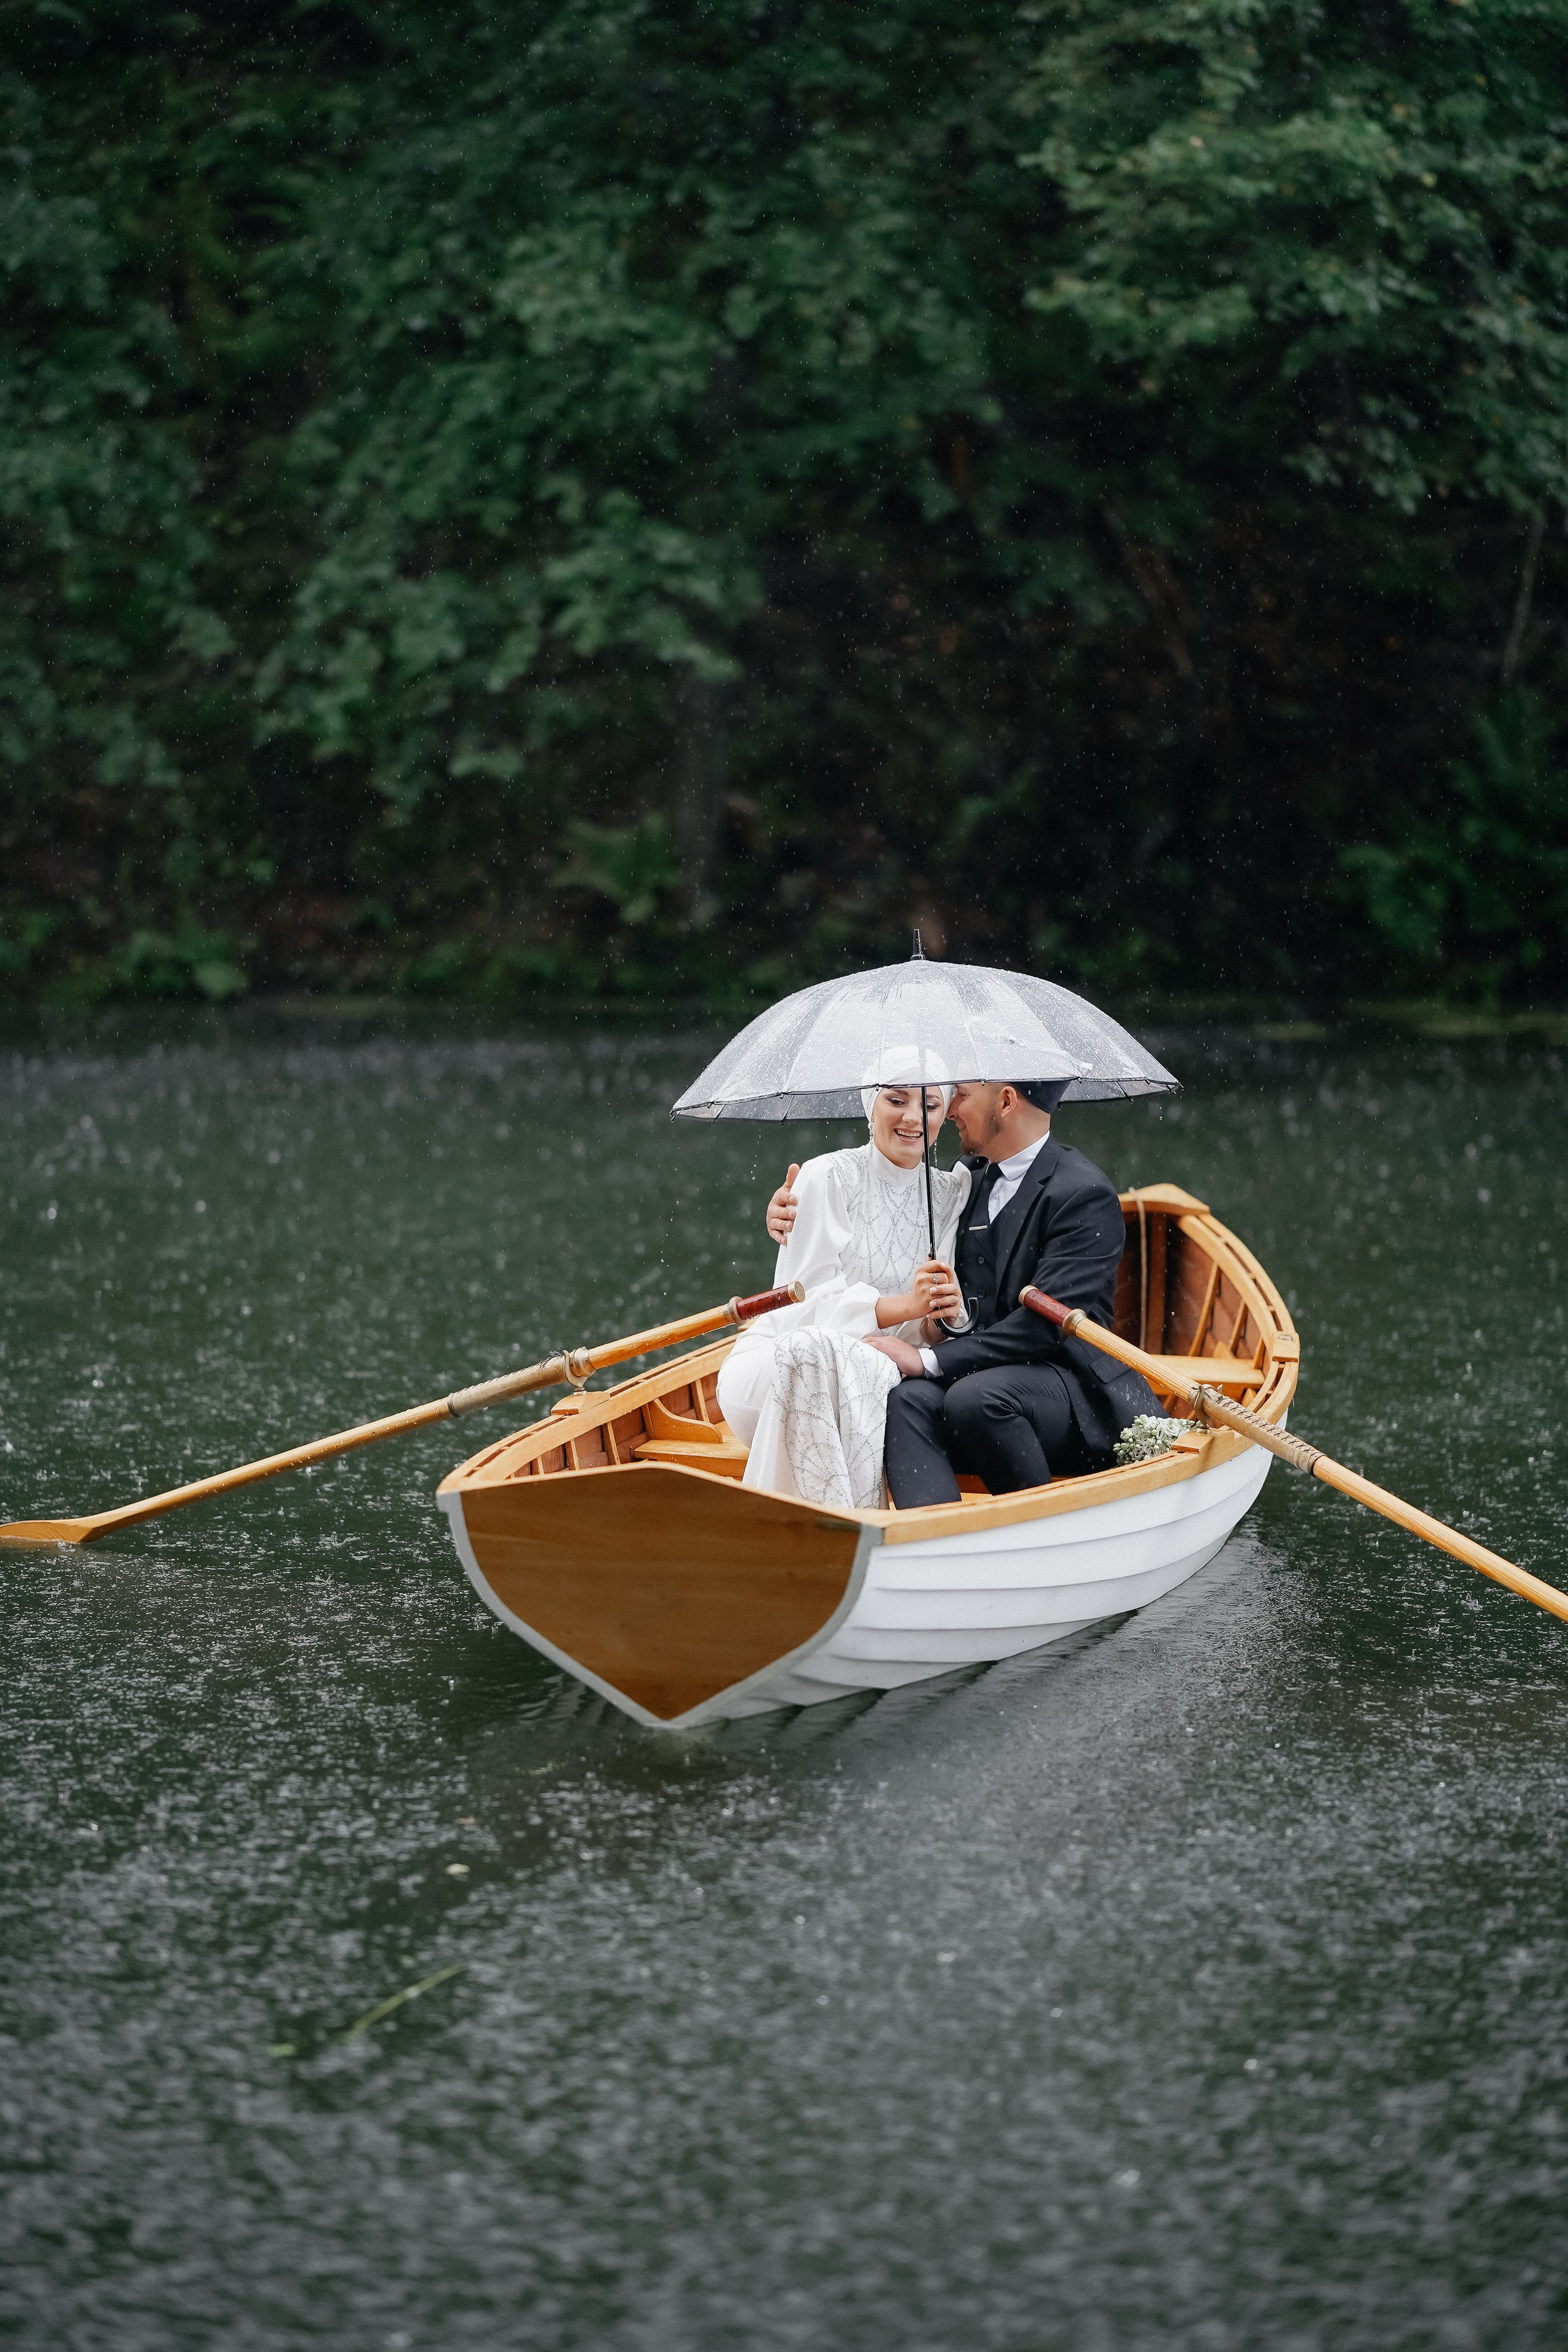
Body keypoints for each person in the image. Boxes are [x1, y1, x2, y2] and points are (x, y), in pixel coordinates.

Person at [764, 1079, 1161, 1506]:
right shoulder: (968, 1180)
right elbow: (891, 1210)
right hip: (979, 1378)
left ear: (1006, 1102)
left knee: (976, 1399)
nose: (950, 1110)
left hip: (1071, 1390)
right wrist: (795, 1210)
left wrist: (925, 1359)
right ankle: (930, 1540)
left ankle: (1038, 1533)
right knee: (906, 1399)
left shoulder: (1083, 1193)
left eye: (963, 1097)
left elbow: (1046, 1329)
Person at [717, 1076, 969, 1509]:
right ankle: (824, 1533)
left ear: (945, 1115)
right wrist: (904, 1306)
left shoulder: (952, 1193)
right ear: (870, 1105)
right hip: (781, 1364)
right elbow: (803, 1305)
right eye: (896, 1100)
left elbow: (931, 1332)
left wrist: (937, 1317)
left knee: (867, 1379)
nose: (913, 1118)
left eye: (929, 1105)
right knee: (815, 1350)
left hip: (881, 1380)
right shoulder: (826, 1175)